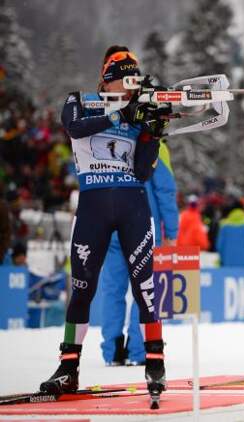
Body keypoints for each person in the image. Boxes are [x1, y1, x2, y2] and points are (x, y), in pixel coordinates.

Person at [40, 46, 167, 395]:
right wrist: (118, 115)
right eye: (124, 82)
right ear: (107, 81)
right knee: (82, 289)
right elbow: (74, 128)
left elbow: (142, 171)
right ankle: (68, 367)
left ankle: (155, 362)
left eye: (134, 82)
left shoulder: (136, 111)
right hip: (93, 207)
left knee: (144, 287)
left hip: (132, 205)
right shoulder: (80, 101)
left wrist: (152, 134)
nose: (130, 89)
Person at [99, 141, 178, 366]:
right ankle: (139, 348)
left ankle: (112, 350)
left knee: (112, 289)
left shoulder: (109, 139)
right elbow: (165, 191)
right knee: (146, 290)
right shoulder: (156, 145)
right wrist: (172, 232)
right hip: (144, 225)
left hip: (112, 226)